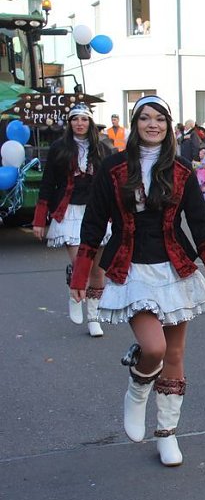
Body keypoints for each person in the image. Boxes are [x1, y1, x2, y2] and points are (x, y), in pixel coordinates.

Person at [69, 95, 205, 465]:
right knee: (154, 349)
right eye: (145, 118)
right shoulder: (112, 168)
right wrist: (81, 275)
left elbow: (200, 222)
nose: (152, 124)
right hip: (130, 269)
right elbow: (93, 224)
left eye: (159, 118)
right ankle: (137, 388)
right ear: (135, 123)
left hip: (174, 268)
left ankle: (167, 433)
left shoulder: (181, 169)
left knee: (174, 354)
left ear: (168, 126)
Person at [33, 103, 112, 338]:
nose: (80, 123)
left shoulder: (103, 149)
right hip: (68, 211)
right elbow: (48, 183)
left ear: (90, 123)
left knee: (98, 270)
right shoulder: (59, 148)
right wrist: (39, 219)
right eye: (75, 119)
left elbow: (113, 184)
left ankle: (94, 317)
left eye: (84, 119)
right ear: (69, 123)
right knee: (80, 262)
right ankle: (74, 290)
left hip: (97, 212)